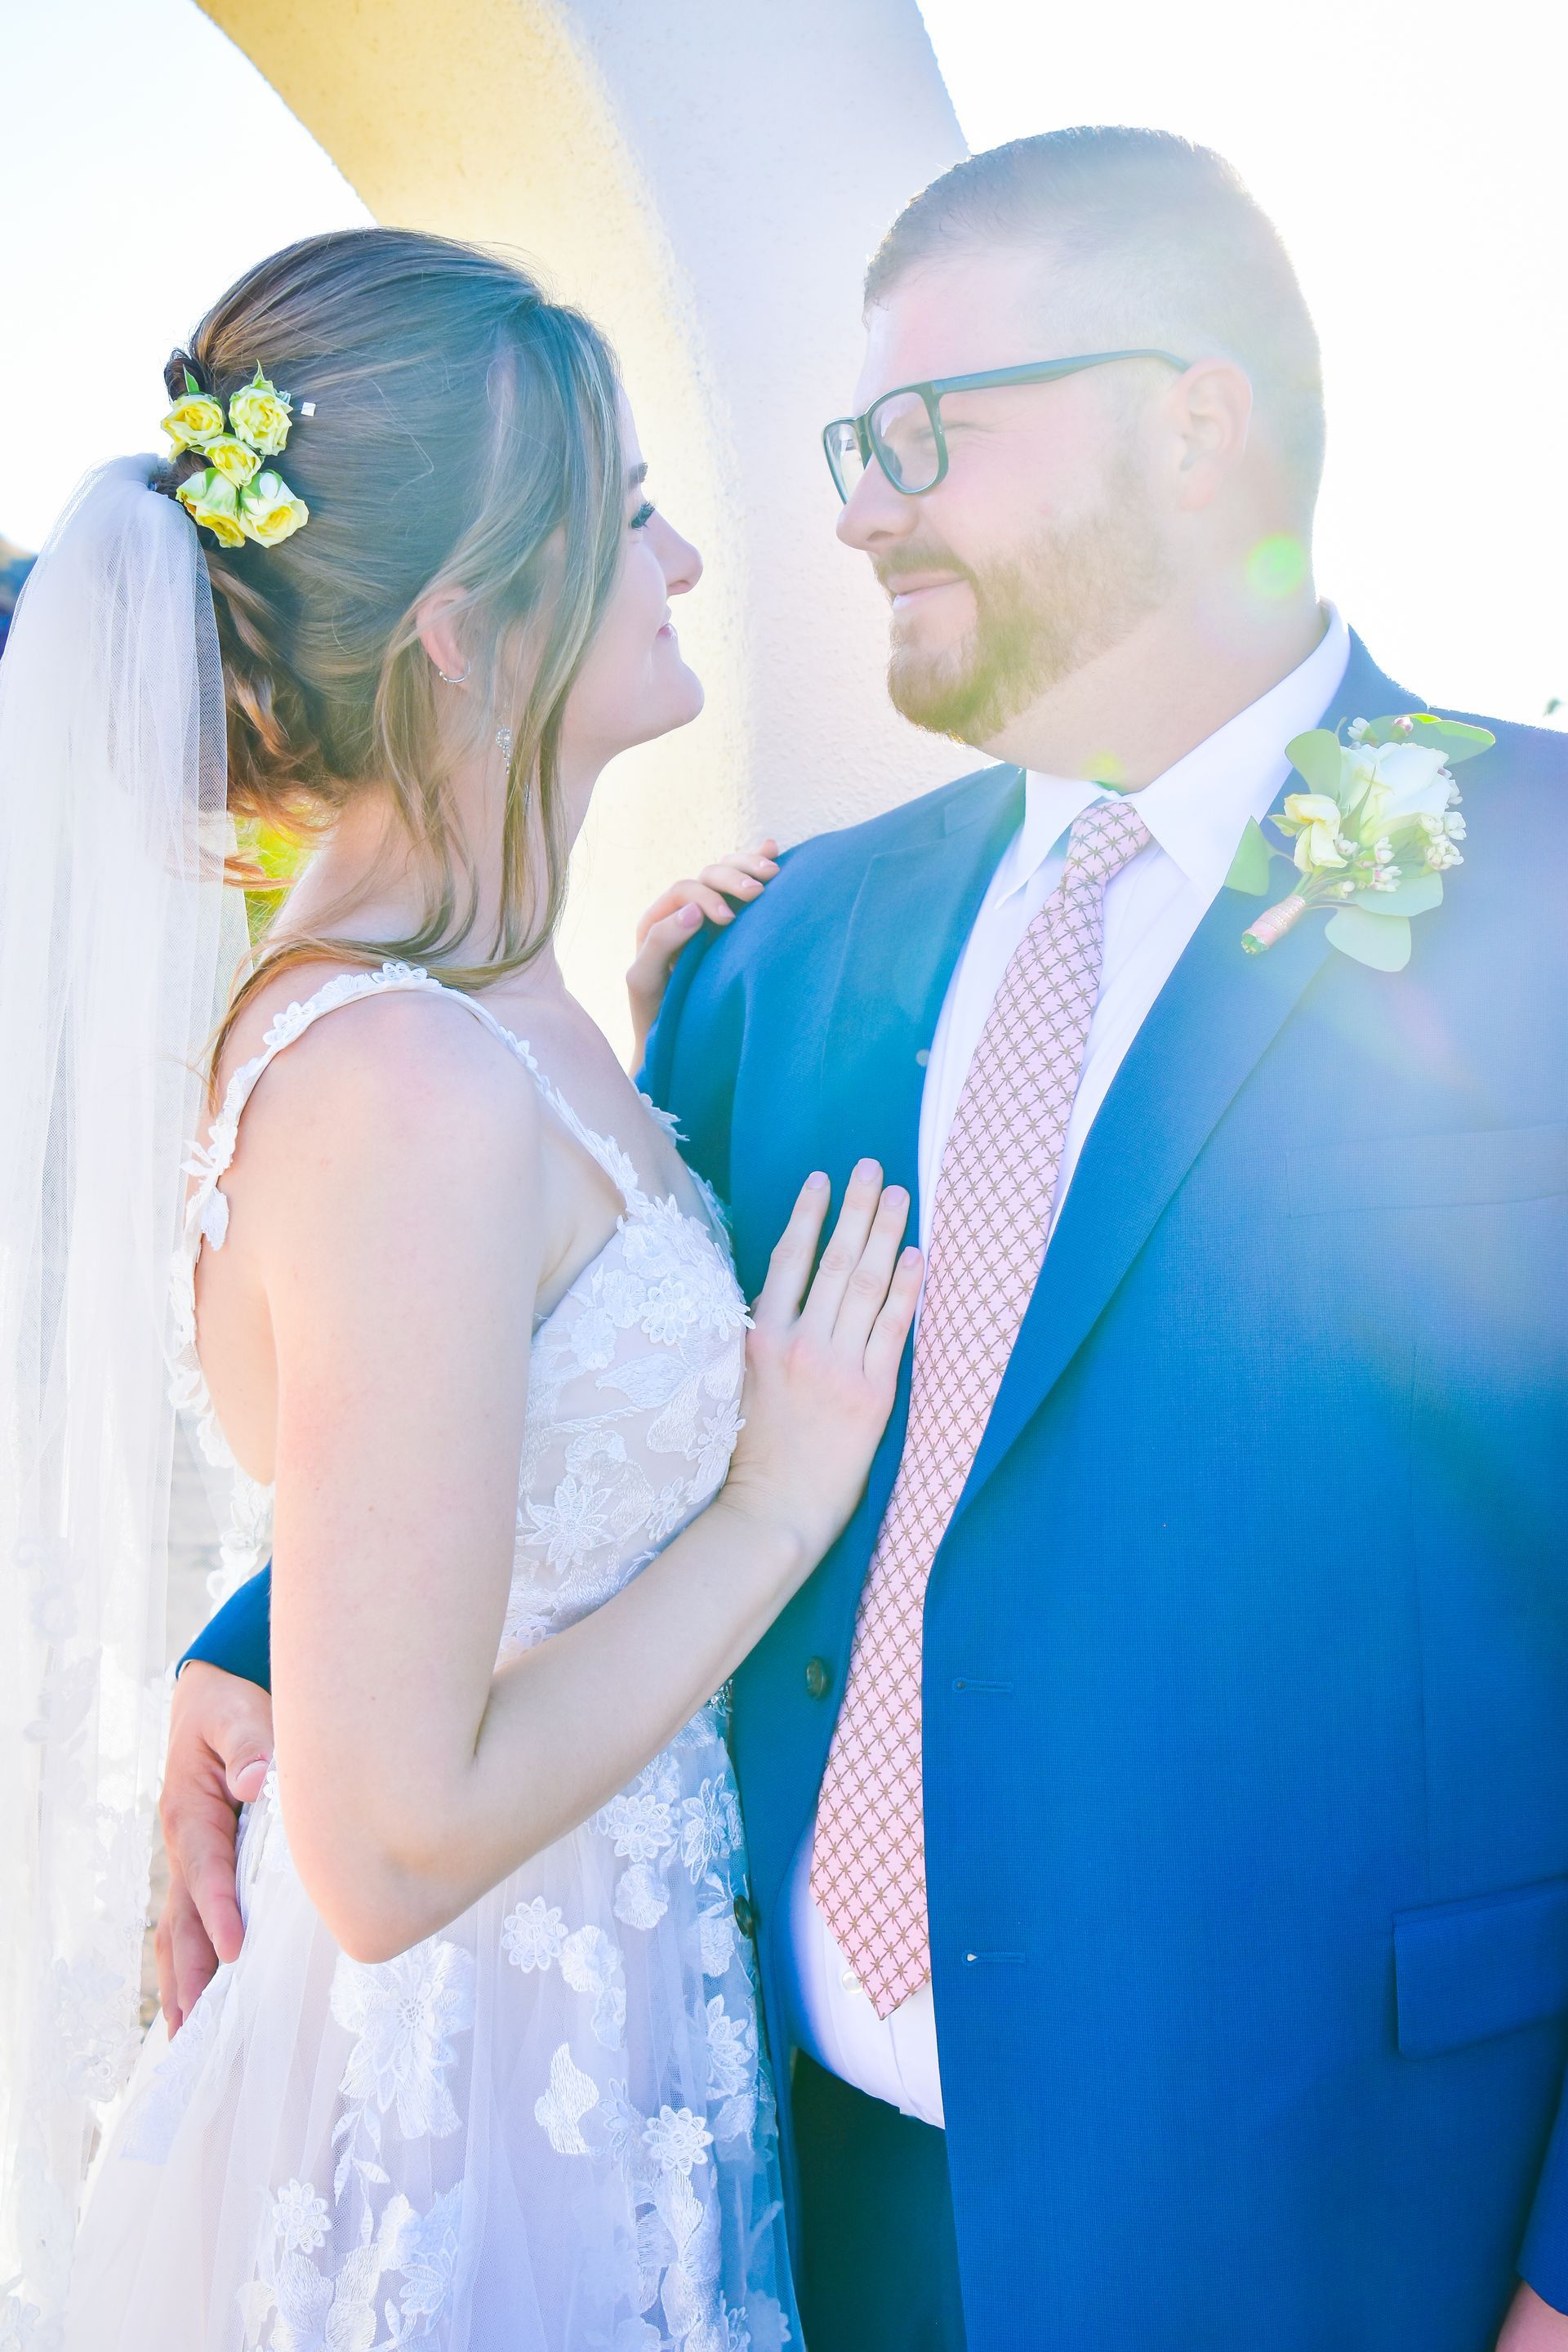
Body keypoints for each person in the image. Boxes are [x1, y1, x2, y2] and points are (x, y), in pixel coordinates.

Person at [166, 131, 1568, 2350]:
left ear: (1191, 418)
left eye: (924, 433)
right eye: (845, 439)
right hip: (783, 2222)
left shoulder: (1545, 893)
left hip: (1346, 2234)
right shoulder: (777, 960)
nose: (844, 509)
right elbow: (552, 1382)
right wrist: (258, 1644)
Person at [0, 225, 927, 2350]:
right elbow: (394, 1843)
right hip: (476, 2115)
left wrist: (662, 1056)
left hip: (612, 2041)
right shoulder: (404, 1077)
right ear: (463, 634)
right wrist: (776, 1503)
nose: (684, 560)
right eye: (625, 519)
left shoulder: (479, 1022)